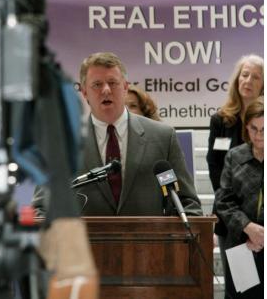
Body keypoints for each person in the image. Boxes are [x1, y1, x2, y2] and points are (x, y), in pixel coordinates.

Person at [32, 52, 202, 217]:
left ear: (125, 87)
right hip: (85, 244)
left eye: (113, 83)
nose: (106, 90)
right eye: (97, 84)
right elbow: (42, 208)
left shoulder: (162, 137)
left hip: (149, 245)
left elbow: (187, 204)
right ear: (84, 93)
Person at [206, 54, 263, 298]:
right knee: (242, 290)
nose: (248, 80)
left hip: (263, 221)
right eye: (244, 74)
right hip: (232, 219)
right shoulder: (221, 119)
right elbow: (214, 165)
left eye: (256, 76)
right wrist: (243, 225)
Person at [215, 96, 264, 298]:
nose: (259, 135)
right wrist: (249, 229)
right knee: (240, 294)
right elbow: (223, 200)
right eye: (254, 128)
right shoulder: (235, 156)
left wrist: (263, 237)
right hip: (240, 241)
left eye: (266, 129)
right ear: (246, 127)